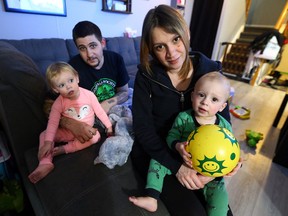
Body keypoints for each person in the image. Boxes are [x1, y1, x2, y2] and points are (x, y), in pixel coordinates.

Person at [130, 5, 242, 216]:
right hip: (160, 155)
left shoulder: (210, 71)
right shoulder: (146, 76)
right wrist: (177, 166)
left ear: (186, 34)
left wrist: (226, 162)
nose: (172, 54)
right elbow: (143, 130)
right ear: (151, 49)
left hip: (201, 157)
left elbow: (223, 126)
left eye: (175, 40)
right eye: (160, 47)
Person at [130, 72, 237, 215]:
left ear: (222, 106)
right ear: (192, 96)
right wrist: (177, 146)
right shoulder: (184, 118)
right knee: (156, 162)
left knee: (221, 199)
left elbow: (231, 148)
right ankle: (152, 197)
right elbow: (171, 137)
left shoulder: (224, 126)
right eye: (201, 95)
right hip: (182, 163)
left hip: (211, 174)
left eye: (214, 99)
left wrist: (234, 164)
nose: (205, 102)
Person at [28, 62, 113, 184]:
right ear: (55, 89)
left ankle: (66, 148)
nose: (68, 86)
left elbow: (99, 111)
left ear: (77, 78)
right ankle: (45, 163)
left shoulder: (89, 95)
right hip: (67, 132)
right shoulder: (59, 103)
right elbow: (52, 123)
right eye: (62, 85)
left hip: (86, 131)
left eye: (70, 80)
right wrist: (47, 142)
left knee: (96, 137)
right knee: (44, 134)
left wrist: (109, 126)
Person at [56, 20, 131, 144]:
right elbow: (52, 104)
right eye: (82, 48)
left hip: (113, 107)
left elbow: (124, 91)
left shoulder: (116, 59)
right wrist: (72, 124)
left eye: (93, 46)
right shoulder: (71, 70)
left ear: (102, 43)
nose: (89, 54)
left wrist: (106, 104)